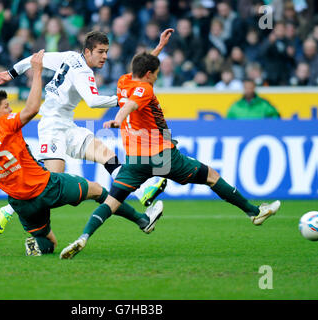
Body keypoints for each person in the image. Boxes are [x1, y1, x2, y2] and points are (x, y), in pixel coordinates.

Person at [0, 50, 163, 256]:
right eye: (6, 107)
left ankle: (141, 194)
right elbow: (37, 107)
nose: (10, 109)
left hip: (23, 200)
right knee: (97, 190)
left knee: (50, 242)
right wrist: (37, 73)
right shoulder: (8, 123)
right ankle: (142, 218)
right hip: (46, 172)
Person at [60, 51, 281, 260]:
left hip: (135, 161)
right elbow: (130, 105)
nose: (156, 77)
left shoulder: (123, 81)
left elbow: (140, 72)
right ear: (149, 75)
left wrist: (158, 48)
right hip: (162, 157)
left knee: (111, 203)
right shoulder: (145, 89)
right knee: (211, 176)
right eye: (155, 74)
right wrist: (118, 119)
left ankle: (83, 237)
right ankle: (254, 212)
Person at [0, 30, 170, 234]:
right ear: (88, 51)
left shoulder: (68, 56)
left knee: (107, 156)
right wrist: (125, 100)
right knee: (50, 184)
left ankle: (143, 193)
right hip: (52, 128)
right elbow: (93, 102)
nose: (104, 56)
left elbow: (35, 59)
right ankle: (8, 209)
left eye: (106, 52)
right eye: (100, 52)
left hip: (67, 125)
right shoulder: (83, 72)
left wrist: (12, 73)